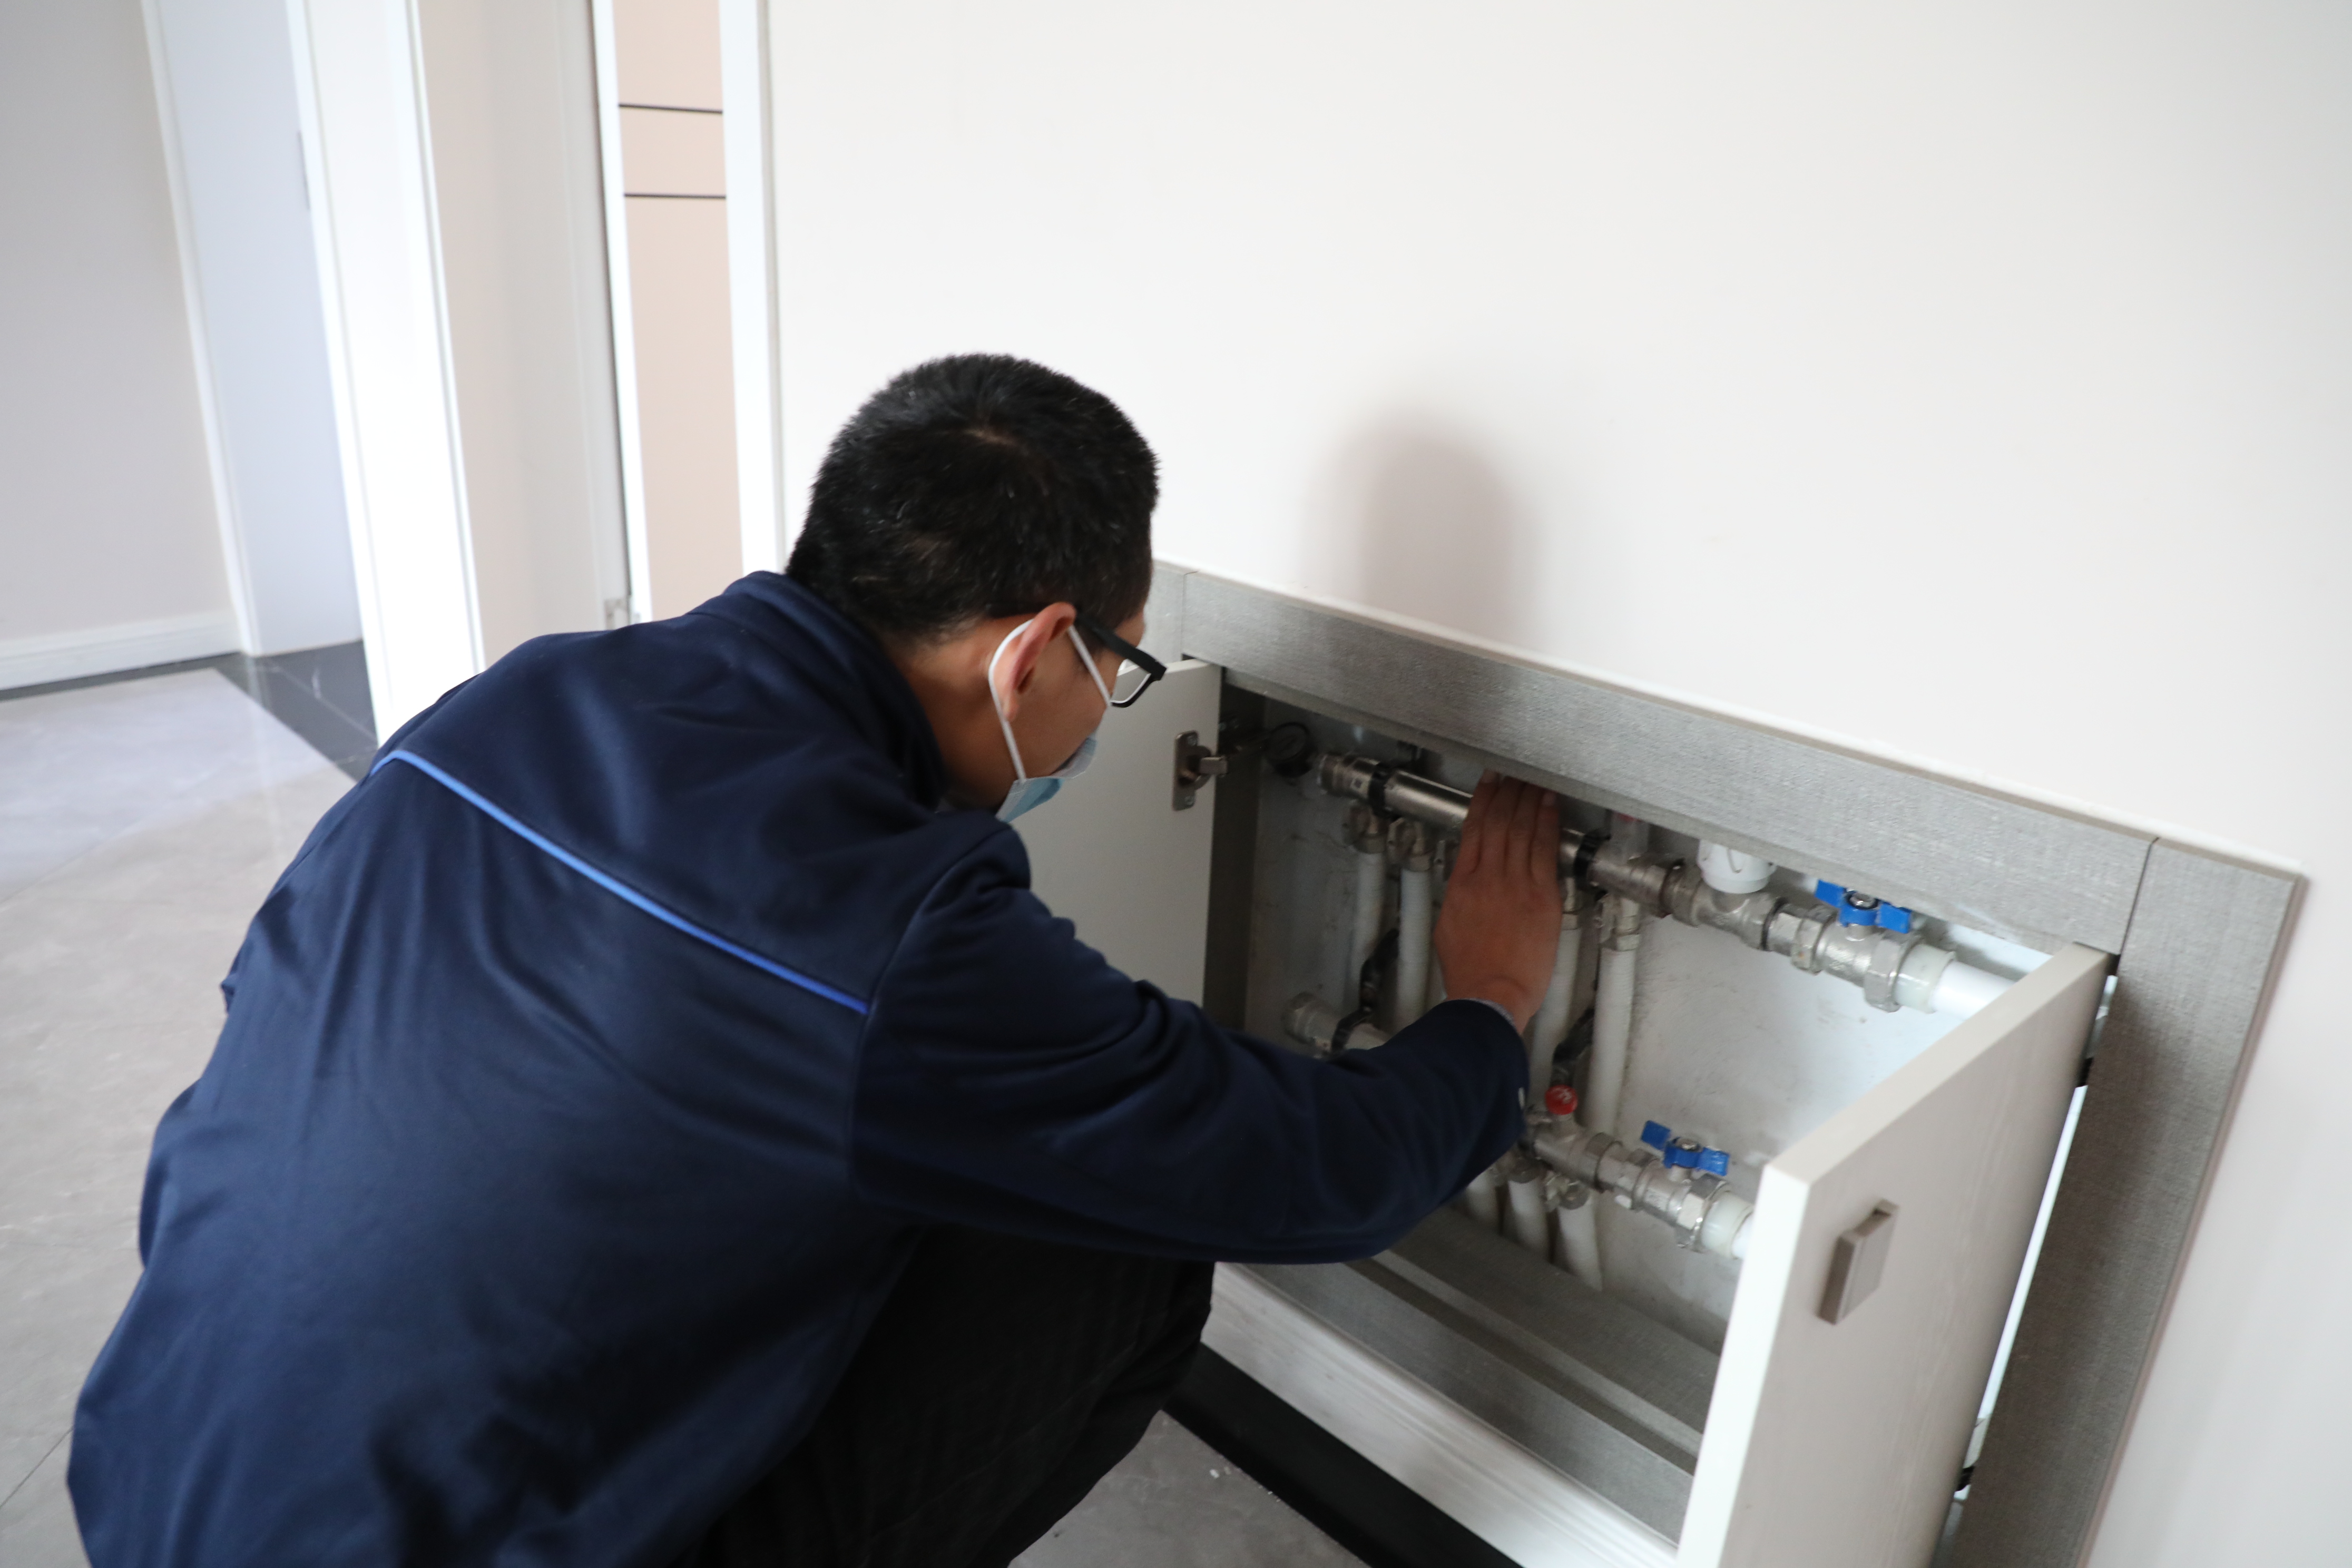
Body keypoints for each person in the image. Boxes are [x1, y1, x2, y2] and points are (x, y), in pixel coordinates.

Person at [71, 355, 1562, 1568]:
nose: (1107, 709)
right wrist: (1489, 1005)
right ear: (1033, 654)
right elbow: (1309, 1173)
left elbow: (268, 1009)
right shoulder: (887, 924)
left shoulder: (508, 705)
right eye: (1118, 666)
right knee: (1123, 1236)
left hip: (160, 1479)